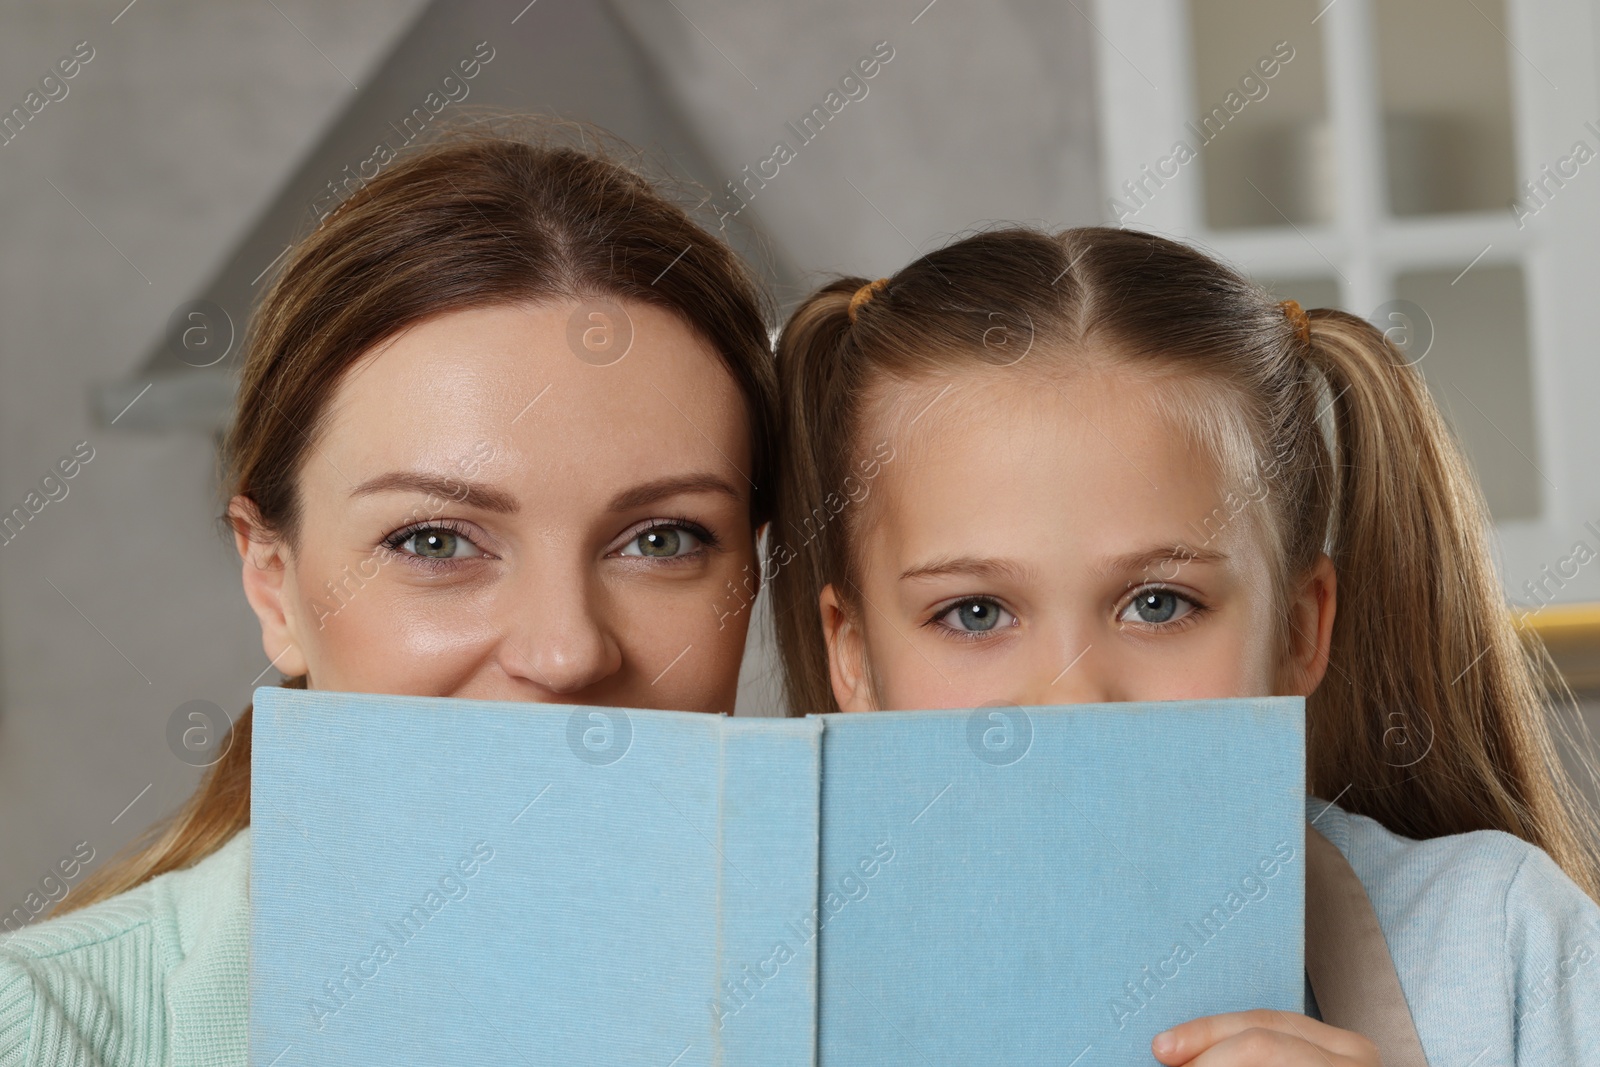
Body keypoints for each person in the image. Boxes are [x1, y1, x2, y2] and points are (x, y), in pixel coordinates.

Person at [0, 125, 777, 1065]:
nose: (568, 651)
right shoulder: (42, 1031)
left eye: (662, 539)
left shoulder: (896, 1005)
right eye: (436, 540)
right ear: (273, 581)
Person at [770, 224, 1600, 1065]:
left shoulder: (1503, 943)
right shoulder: (753, 998)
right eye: (975, 613)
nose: (1071, 700)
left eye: (1158, 603)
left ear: (1300, 629)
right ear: (853, 658)